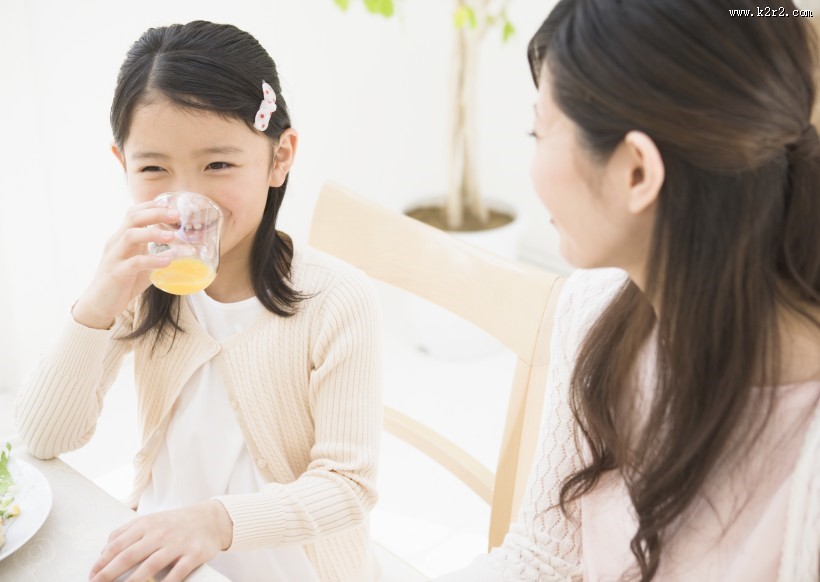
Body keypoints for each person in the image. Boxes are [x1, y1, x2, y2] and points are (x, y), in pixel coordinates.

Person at [437, 0, 820, 580]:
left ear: (637, 171)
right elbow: (544, 556)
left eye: (539, 130)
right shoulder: (593, 312)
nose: (531, 162)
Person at [15, 20, 383, 582]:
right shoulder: (139, 281)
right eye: (154, 168)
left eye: (218, 165)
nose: (187, 198)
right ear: (123, 167)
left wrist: (215, 522)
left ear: (279, 157)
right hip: (167, 554)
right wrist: (96, 305)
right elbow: (42, 438)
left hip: (291, 566)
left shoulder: (336, 300)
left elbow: (348, 487)